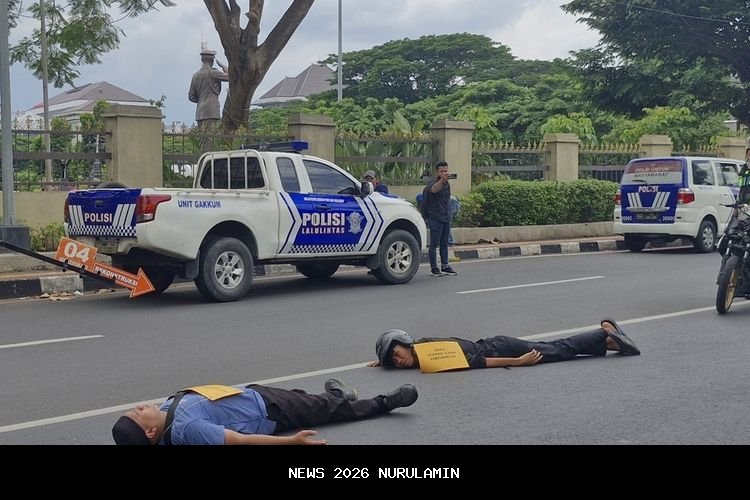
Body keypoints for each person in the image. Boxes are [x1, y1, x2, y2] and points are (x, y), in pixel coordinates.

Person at [112, 378, 418, 445]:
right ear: (150, 432)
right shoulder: (186, 430)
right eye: (137, 415)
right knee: (327, 409)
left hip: (253, 394)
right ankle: (384, 402)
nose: (137, 407)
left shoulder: (165, 414)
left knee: (307, 400)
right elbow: (240, 441)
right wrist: (291, 442)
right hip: (270, 411)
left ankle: (335, 395)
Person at [367, 318, 640, 370]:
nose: (398, 361)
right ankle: (609, 343)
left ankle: (603, 331)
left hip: (502, 349)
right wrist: (383, 361)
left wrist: (518, 362)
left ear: (407, 343)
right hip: (497, 344)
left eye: (397, 354)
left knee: (558, 350)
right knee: (553, 348)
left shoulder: (430, 354)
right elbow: (402, 354)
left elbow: (480, 363)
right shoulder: (421, 347)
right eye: (394, 361)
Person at [188, 48, 229, 149]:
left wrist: (201, 100)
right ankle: (208, 157)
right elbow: (230, 77)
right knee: (209, 139)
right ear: (212, 60)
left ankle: (203, 156)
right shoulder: (213, 72)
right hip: (211, 110)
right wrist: (224, 67)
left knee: (202, 139)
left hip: (200, 110)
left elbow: (191, 96)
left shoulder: (195, 75)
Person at [422, 161, 457, 276]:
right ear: (437, 172)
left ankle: (445, 265)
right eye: (442, 171)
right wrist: (442, 180)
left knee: (444, 243)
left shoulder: (447, 184)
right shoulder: (434, 183)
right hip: (435, 217)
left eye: (446, 171)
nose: (444, 173)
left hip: (445, 217)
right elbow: (434, 190)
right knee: (434, 244)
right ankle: (434, 268)